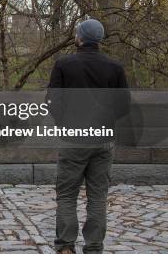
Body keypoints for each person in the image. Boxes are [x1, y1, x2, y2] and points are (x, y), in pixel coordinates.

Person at [47, 19, 130, 254]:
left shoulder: (64, 64)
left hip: (73, 138)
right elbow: (124, 105)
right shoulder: (115, 68)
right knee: (97, 197)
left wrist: (65, 123)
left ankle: (65, 246)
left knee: (66, 195)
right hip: (103, 140)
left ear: (80, 38)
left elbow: (53, 101)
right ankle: (94, 248)